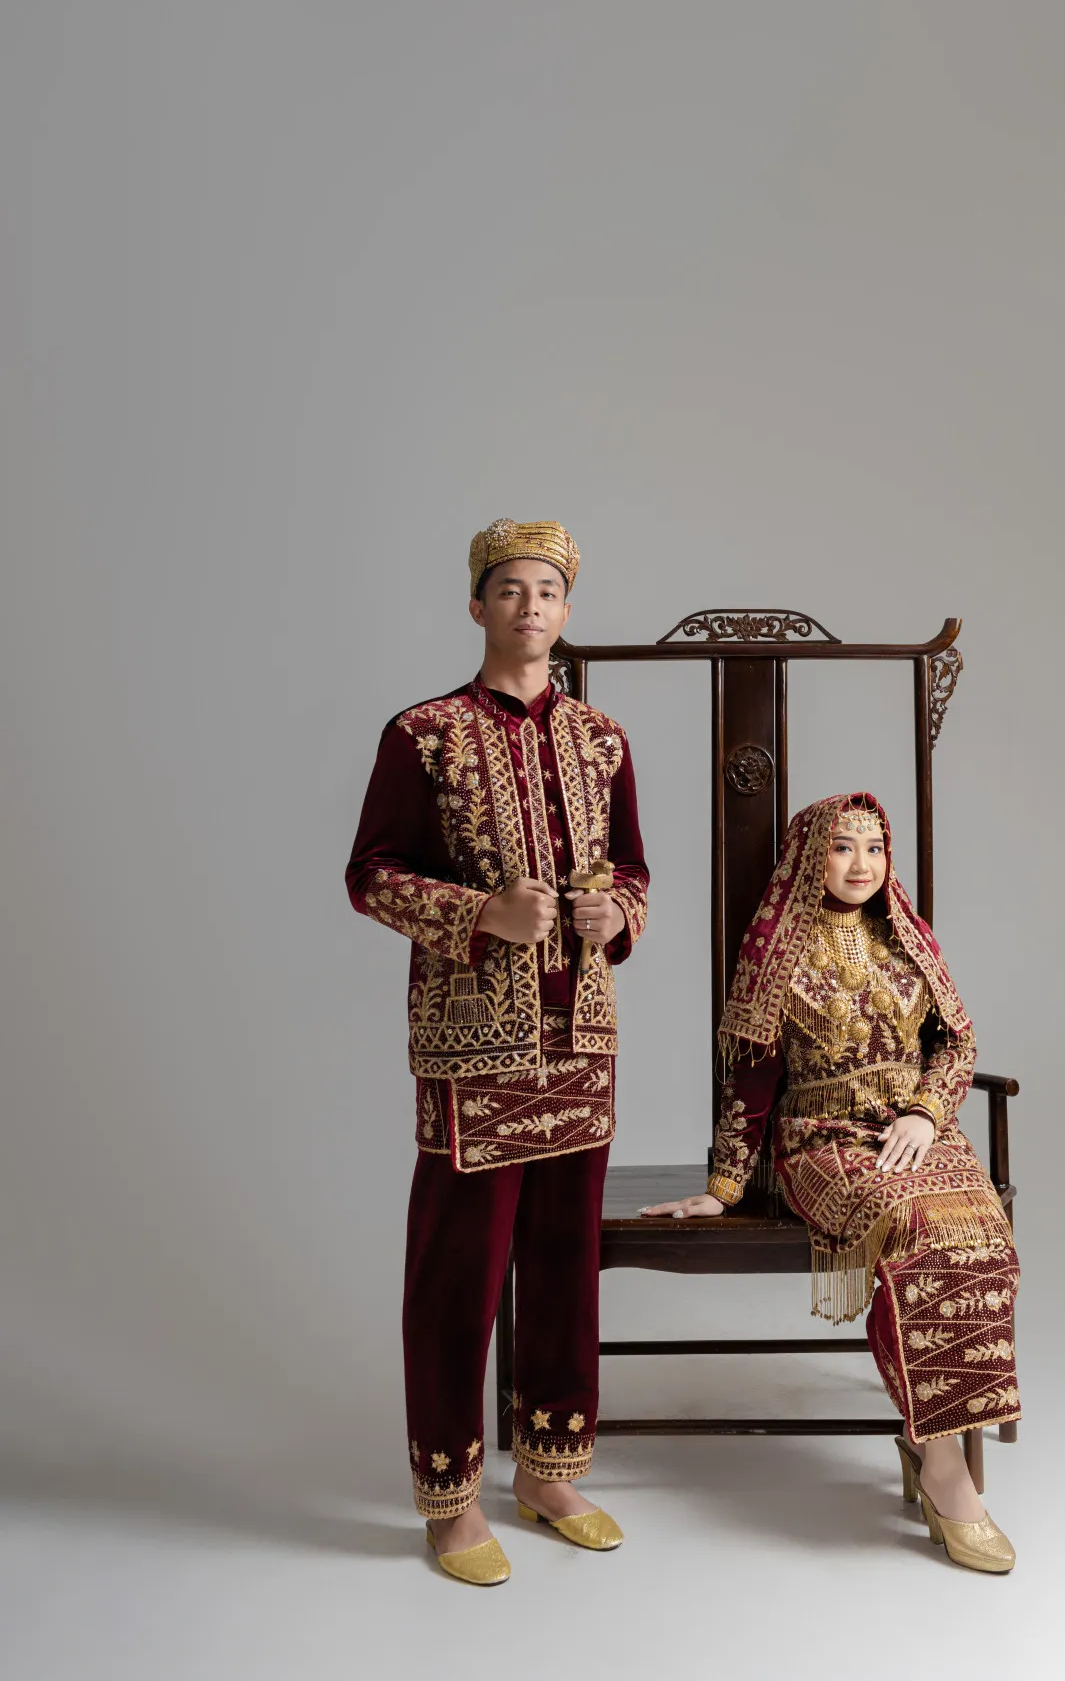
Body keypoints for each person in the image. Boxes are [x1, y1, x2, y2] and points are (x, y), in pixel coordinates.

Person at [346, 518, 648, 1585]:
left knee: (565, 1265)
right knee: (457, 1274)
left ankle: (551, 1473)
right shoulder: (423, 735)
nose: (531, 606)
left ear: (567, 611)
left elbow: (634, 872)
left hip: (583, 1039)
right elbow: (372, 874)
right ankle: (450, 1496)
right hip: (473, 1046)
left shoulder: (602, 739)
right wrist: (482, 914)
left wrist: (618, 915)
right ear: (477, 605)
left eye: (548, 591)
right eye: (510, 589)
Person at [643, 793, 1019, 1573]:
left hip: (916, 1132)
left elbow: (957, 1043)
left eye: (875, 849)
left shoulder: (906, 936)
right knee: (918, 1232)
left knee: (981, 1238)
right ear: (812, 858)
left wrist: (925, 1112)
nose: (861, 865)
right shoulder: (778, 949)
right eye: (843, 848)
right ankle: (945, 1469)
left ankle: (926, 1435)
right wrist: (724, 1184)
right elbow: (751, 1076)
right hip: (822, 1139)